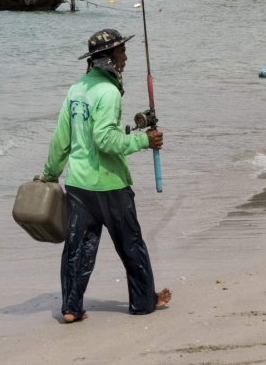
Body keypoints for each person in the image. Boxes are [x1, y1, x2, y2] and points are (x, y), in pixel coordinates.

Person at [42, 29, 171, 323]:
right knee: (131, 244)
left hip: (77, 184)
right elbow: (106, 140)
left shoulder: (77, 89)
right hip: (110, 184)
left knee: (78, 247)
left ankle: (71, 307)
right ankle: (142, 302)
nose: (125, 58)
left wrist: (50, 174)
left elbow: (61, 139)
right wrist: (144, 141)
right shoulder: (109, 92)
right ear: (109, 58)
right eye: (121, 52)